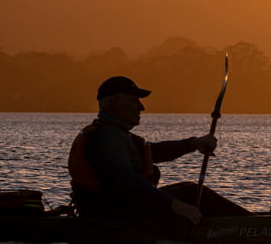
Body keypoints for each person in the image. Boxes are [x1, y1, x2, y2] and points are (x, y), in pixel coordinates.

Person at [67, 75, 252, 222]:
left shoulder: (115, 133)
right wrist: (174, 205)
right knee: (190, 193)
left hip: (122, 208)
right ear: (116, 102)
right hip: (114, 214)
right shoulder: (107, 136)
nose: (142, 107)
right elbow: (125, 180)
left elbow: (151, 153)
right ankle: (258, 226)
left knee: (189, 191)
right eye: (135, 101)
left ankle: (254, 222)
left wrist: (193, 144)